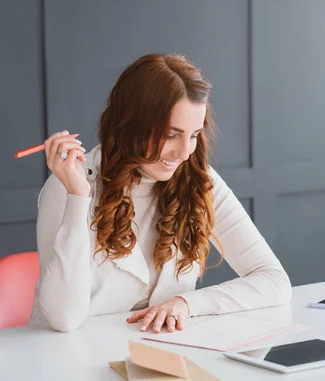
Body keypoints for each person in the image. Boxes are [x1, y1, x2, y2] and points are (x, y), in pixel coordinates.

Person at [30, 53, 292, 333]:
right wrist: (78, 198)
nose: (183, 153)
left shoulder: (198, 180)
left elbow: (273, 280)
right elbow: (64, 319)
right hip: (68, 361)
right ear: (131, 124)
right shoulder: (70, 186)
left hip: (160, 359)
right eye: (170, 134)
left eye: (193, 135)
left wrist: (187, 303)